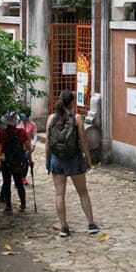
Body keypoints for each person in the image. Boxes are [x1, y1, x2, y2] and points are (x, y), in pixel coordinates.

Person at [45, 89, 99, 237]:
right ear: (72, 103)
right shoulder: (77, 118)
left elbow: (48, 143)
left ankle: (64, 227)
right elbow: (83, 141)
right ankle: (91, 223)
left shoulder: (51, 118)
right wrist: (88, 159)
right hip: (74, 159)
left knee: (59, 194)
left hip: (57, 160)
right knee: (82, 192)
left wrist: (47, 161)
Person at [0, 111, 33, 213]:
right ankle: (23, 204)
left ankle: (8, 206)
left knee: (6, 183)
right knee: (19, 182)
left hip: (6, 161)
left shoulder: (3, 133)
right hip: (18, 161)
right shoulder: (22, 132)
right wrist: (30, 160)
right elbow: (29, 147)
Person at [16, 110, 38, 185]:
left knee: (26, 162)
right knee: (19, 162)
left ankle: (23, 177)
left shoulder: (32, 124)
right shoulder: (18, 124)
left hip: (28, 146)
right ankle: (18, 178)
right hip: (19, 146)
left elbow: (35, 135)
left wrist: (34, 145)